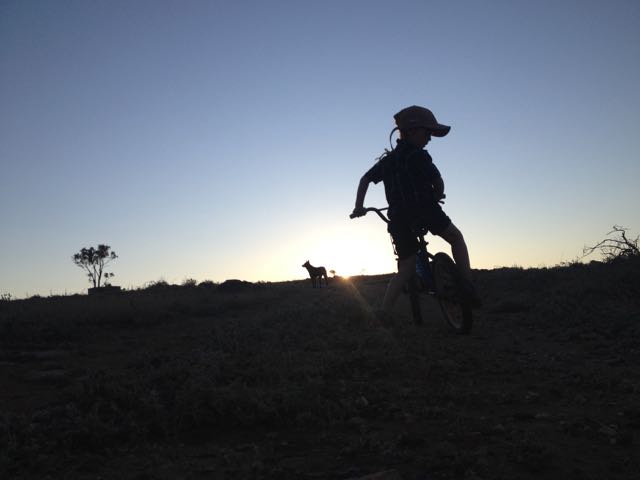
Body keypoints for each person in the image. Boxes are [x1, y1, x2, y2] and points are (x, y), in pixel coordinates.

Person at [350, 105, 479, 312]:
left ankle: (384, 312)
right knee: (456, 238)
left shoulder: (387, 162)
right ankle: (467, 286)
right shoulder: (419, 156)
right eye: (427, 133)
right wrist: (437, 195)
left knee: (406, 268)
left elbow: (365, 179)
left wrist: (359, 207)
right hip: (426, 210)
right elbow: (438, 182)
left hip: (399, 219)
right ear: (412, 131)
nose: (429, 139)